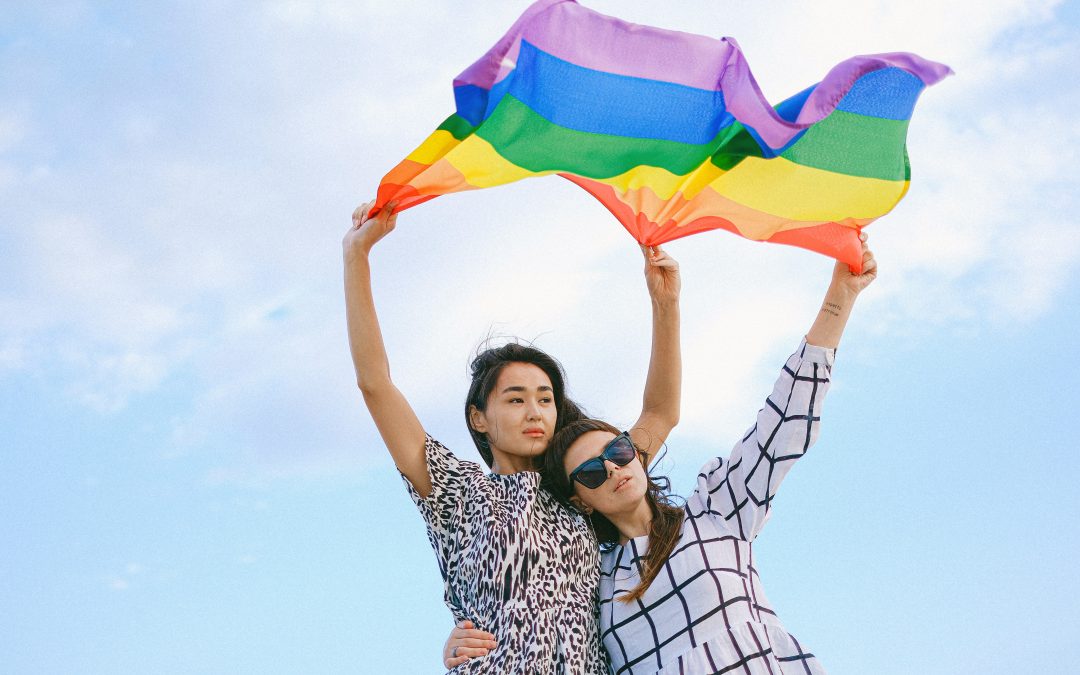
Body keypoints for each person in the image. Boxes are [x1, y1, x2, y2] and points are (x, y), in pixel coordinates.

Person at [446, 234, 877, 673]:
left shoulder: (716, 513)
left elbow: (783, 421)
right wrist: (465, 636)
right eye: (592, 473)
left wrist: (840, 295)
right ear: (579, 500)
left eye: (618, 450)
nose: (612, 468)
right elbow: (534, 618)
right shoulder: (595, 583)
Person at [344, 200, 682, 674]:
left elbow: (661, 411)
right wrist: (356, 256)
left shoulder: (585, 481)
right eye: (516, 399)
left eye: (545, 399)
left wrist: (665, 304)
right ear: (478, 418)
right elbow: (375, 384)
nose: (535, 412)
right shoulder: (457, 493)